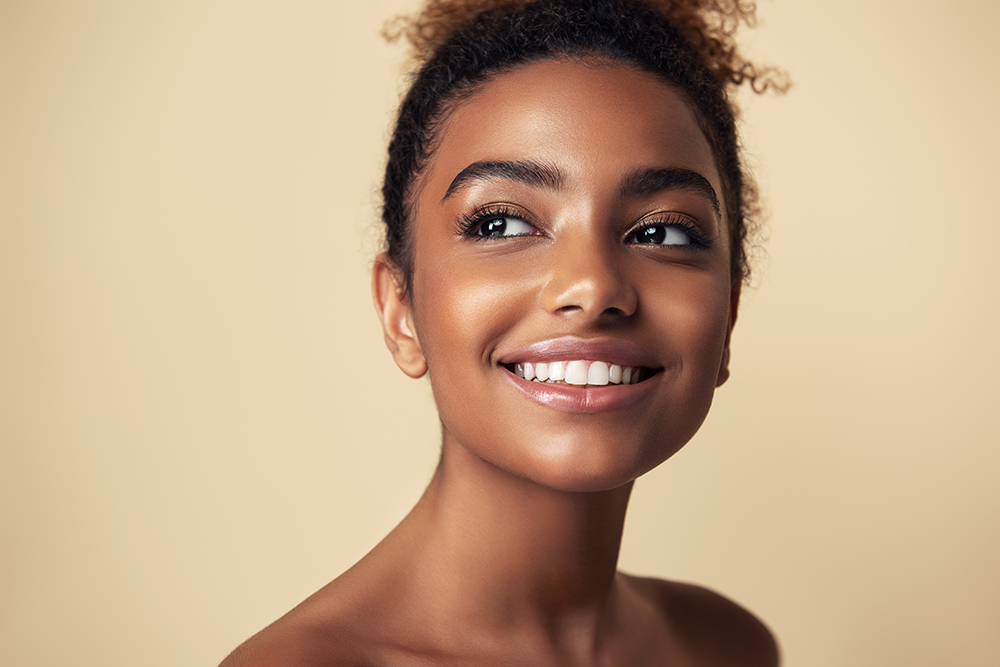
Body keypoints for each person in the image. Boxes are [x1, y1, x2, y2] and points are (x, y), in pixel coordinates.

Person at [222, 0, 785, 664]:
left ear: (729, 317)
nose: (592, 285)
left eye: (662, 231)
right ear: (399, 307)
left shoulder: (726, 647)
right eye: (502, 224)